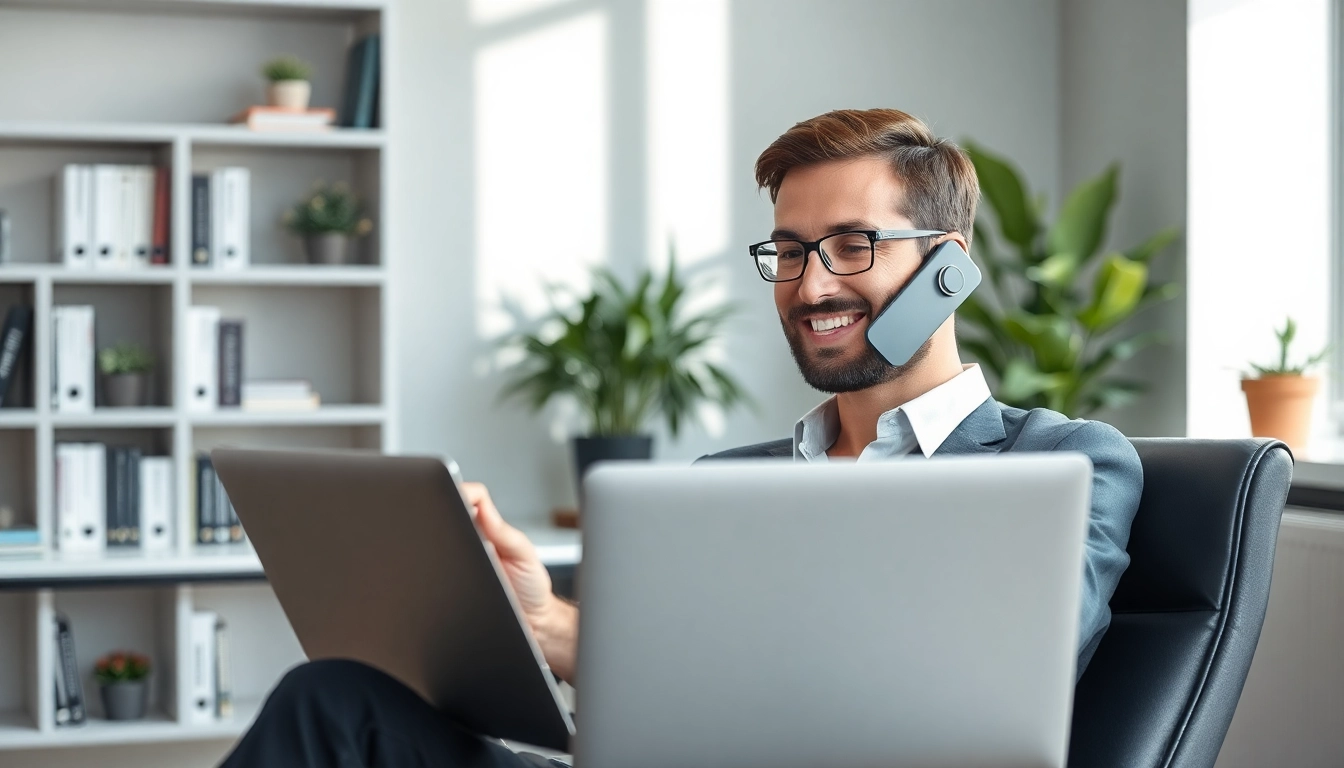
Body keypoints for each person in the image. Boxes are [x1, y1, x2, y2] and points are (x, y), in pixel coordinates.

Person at [220, 108, 1142, 768]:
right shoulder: (723, 485)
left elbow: (994, 689)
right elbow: (659, 695)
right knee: (335, 700)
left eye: (854, 244)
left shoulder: (1057, 464)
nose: (811, 286)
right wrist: (544, 624)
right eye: (788, 251)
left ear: (948, 269)